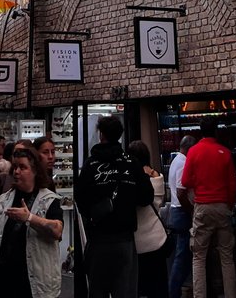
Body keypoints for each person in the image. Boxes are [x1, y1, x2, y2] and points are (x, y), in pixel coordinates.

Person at [75, 113, 154, 298]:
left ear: (101, 134)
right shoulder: (131, 163)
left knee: (97, 291)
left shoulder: (91, 165)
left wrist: (93, 213)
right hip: (124, 240)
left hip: (98, 239)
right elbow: (146, 197)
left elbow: (80, 198)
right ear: (119, 135)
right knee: (125, 291)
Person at [0, 144, 64, 298]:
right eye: (15, 167)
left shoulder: (49, 200)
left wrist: (29, 218)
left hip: (33, 282)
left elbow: (57, 230)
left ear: (35, 171)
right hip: (4, 279)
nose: (16, 171)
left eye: (23, 167)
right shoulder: (5, 199)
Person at [179, 118, 236, 298]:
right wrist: (229, 205)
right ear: (216, 131)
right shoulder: (225, 153)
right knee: (227, 256)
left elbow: (185, 181)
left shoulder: (194, 152)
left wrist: (200, 182)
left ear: (200, 131)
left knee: (199, 256)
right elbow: (233, 185)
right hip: (222, 206)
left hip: (202, 207)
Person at [129, 140, 168, 298]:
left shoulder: (134, 181)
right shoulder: (158, 177)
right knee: (158, 288)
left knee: (139, 288)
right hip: (157, 239)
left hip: (138, 242)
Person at [0, 139, 32, 251]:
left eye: (22, 153)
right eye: (15, 153)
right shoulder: (3, 179)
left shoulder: (35, 187)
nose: (18, 157)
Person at [168, 136, 196, 298]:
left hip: (176, 211)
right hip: (181, 212)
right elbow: (180, 192)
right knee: (182, 256)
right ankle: (173, 292)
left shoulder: (176, 161)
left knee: (182, 255)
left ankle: (176, 290)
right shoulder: (183, 163)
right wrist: (191, 210)